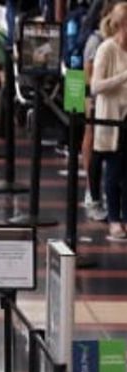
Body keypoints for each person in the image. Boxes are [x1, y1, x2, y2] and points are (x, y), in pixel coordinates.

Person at [92, 1, 127, 241]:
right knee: (114, 172)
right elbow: (95, 86)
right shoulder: (106, 48)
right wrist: (124, 76)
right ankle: (114, 218)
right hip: (112, 120)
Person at [83, 11, 116, 221]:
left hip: (115, 105)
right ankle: (92, 192)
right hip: (92, 96)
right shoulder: (98, 41)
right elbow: (89, 74)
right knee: (92, 138)